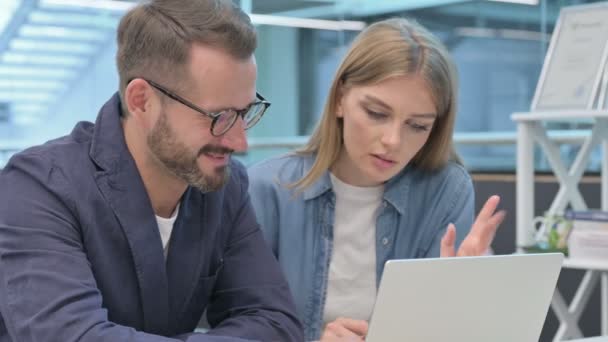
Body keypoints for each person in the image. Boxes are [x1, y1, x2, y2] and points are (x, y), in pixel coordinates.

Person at [0, 1, 304, 341]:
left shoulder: (224, 186)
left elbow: (278, 325)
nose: (240, 142)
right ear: (142, 100)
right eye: (218, 117)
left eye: (245, 112)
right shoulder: (38, 188)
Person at [248, 18, 506, 341]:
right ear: (340, 98)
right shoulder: (264, 188)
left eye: (417, 126)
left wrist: (463, 300)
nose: (393, 141)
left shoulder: (446, 191)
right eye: (376, 114)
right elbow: (235, 327)